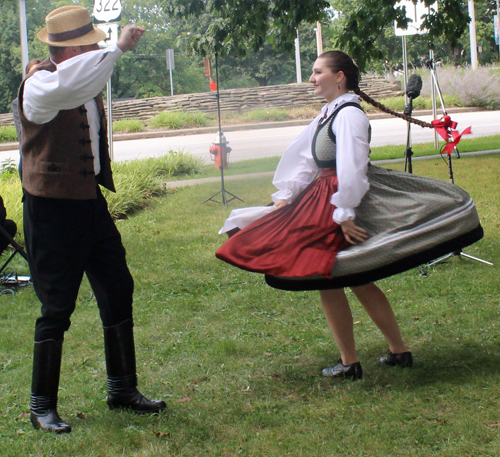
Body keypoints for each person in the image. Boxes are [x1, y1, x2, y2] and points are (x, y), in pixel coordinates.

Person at [216, 51, 483, 381]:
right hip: (325, 197)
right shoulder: (330, 113)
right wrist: (287, 196)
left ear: (339, 76)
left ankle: (353, 362)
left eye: (317, 72)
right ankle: (392, 353)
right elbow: (305, 158)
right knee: (349, 277)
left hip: (339, 200)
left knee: (328, 274)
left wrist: (344, 212)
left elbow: (352, 165)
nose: (311, 78)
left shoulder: (348, 115)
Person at [18, 6, 165, 434]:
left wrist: (111, 54)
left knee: (117, 286)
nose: (99, 48)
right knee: (57, 305)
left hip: (89, 203)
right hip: (50, 208)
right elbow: (72, 83)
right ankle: (40, 404)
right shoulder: (41, 84)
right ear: (73, 47)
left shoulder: (84, 75)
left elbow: (88, 78)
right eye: (92, 44)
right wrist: (117, 49)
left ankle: (122, 388)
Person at [12, 59, 42, 180]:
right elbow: (22, 134)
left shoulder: (53, 100)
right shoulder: (18, 102)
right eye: (32, 73)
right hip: (29, 158)